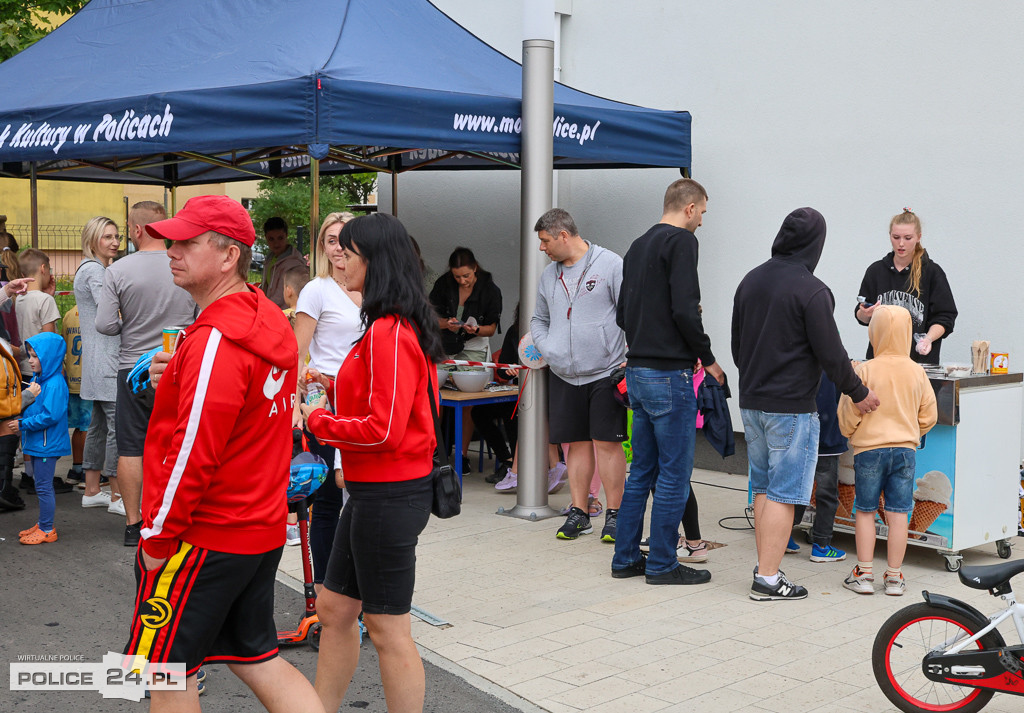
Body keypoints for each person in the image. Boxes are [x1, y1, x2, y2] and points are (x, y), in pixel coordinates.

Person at [124, 195, 324, 712]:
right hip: (254, 524)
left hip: (205, 532)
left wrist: (157, 534)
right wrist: (180, 375)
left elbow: (194, 450)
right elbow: (246, 414)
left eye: (187, 242)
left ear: (228, 255)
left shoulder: (217, 336)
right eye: (171, 240)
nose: (171, 250)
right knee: (255, 656)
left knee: (166, 670)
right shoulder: (263, 317)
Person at [299, 212, 442, 713]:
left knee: (387, 628)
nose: (339, 258)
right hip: (372, 491)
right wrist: (334, 387)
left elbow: (383, 429)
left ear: (374, 261)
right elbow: (388, 402)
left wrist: (318, 421)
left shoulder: (390, 329)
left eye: (349, 250)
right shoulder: (388, 323)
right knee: (336, 608)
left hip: (388, 493)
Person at [732, 207, 879, 601]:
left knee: (763, 486)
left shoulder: (750, 281)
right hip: (792, 407)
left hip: (752, 402)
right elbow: (832, 354)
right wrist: (859, 392)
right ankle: (767, 578)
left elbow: (736, 344)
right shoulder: (812, 290)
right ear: (816, 243)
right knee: (784, 492)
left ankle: (764, 567)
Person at [612, 178, 721, 585]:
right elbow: (684, 311)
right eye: (703, 213)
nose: (702, 223)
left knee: (641, 471)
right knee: (674, 474)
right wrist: (708, 359)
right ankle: (662, 563)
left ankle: (625, 559)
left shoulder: (637, 245)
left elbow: (623, 314)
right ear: (689, 208)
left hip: (636, 372)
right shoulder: (682, 243)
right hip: (669, 375)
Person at [96, 200, 196, 547]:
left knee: (132, 447)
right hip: (179, 364)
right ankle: (173, 517)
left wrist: (132, 320)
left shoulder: (118, 271)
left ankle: (133, 523)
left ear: (137, 230)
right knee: (179, 444)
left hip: (132, 369)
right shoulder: (183, 265)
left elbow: (105, 324)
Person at [531, 208, 627, 543]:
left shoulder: (610, 264)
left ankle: (615, 515)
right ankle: (579, 512)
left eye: (545, 241)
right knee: (576, 445)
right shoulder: (548, 276)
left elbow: (630, 312)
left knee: (607, 445)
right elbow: (538, 320)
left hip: (605, 373)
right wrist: (549, 347)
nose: (542, 248)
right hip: (564, 374)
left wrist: (629, 357)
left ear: (562, 235)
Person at [838, 305, 937, 596]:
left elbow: (848, 414)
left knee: (866, 511)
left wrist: (852, 432)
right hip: (905, 451)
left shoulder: (865, 369)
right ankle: (894, 577)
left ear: (875, 332)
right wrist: (913, 432)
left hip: (868, 450)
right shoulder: (916, 371)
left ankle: (864, 574)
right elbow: (928, 415)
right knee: (898, 514)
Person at [291, 211, 362, 586]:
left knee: (361, 498)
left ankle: (356, 590)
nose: (339, 248)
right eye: (331, 240)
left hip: (364, 401)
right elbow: (297, 352)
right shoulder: (316, 289)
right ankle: (324, 592)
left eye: (345, 239)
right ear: (322, 246)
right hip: (325, 399)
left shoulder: (373, 285)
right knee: (328, 503)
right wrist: (297, 405)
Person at [429, 247, 502, 472]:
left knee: (467, 403)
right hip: (445, 344)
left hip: (474, 346)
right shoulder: (443, 284)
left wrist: (476, 329)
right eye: (457, 276)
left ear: (475, 269)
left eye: (466, 276)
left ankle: (461, 456)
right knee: (437, 397)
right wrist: (446, 324)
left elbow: (491, 329)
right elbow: (429, 317)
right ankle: (435, 451)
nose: (462, 281)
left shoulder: (490, 289)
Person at [855, 209, 957, 364]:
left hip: (918, 363)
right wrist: (865, 313)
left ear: (918, 237)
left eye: (907, 238)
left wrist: (927, 339)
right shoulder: (876, 271)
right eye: (896, 237)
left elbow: (945, 317)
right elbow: (861, 315)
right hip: (880, 361)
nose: (901, 243)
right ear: (890, 236)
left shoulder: (932, 272)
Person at [73, 216, 124, 515]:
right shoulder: (95, 272)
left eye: (116, 236)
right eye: (107, 237)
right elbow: (108, 316)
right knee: (117, 425)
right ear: (93, 240)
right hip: (106, 359)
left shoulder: (88, 269)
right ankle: (118, 495)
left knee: (99, 425)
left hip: (96, 359)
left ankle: (92, 489)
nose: (115, 241)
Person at [14, 248, 70, 494]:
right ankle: (43, 476)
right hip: (43, 369)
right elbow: (51, 338)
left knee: (27, 420)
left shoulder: (18, 299)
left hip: (23, 369)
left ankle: (29, 475)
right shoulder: (45, 301)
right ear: (44, 270)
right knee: (45, 419)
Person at [17, 333, 71, 545]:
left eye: (35, 356)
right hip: (42, 443)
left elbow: (50, 415)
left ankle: (47, 528)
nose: (30, 360)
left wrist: (22, 424)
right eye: (30, 355)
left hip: (47, 445)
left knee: (43, 487)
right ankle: (43, 523)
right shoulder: (40, 379)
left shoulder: (55, 383)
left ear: (48, 357)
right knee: (42, 486)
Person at [791, 372, 849, 563]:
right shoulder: (834, 365)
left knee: (797, 492)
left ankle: (783, 537)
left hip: (799, 438)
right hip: (828, 440)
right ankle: (821, 546)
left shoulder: (799, 360)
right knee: (826, 496)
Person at [260, 216, 308, 309]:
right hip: (271, 308)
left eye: (280, 238)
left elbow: (280, 297)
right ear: (266, 238)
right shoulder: (270, 258)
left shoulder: (294, 264)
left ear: (286, 235)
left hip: (285, 312)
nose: (276, 243)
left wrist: (263, 307)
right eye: (271, 239)